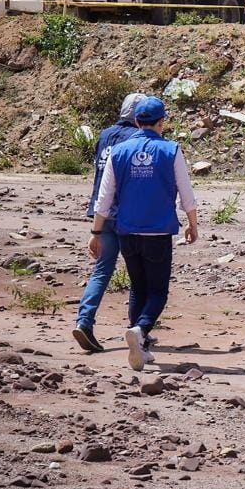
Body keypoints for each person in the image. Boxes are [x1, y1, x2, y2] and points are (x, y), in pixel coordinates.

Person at [90, 97, 198, 371]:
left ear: (136, 121)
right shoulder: (171, 150)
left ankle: (142, 346)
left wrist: (96, 231)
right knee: (158, 290)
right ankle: (140, 331)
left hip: (127, 230)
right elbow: (186, 192)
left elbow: (104, 198)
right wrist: (192, 223)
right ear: (161, 122)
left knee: (138, 287)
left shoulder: (119, 151)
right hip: (158, 230)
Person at [73, 91, 146, 353]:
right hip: (126, 214)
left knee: (102, 270)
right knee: (139, 273)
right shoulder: (137, 138)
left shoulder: (105, 135)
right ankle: (139, 329)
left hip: (101, 212)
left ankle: (84, 320)